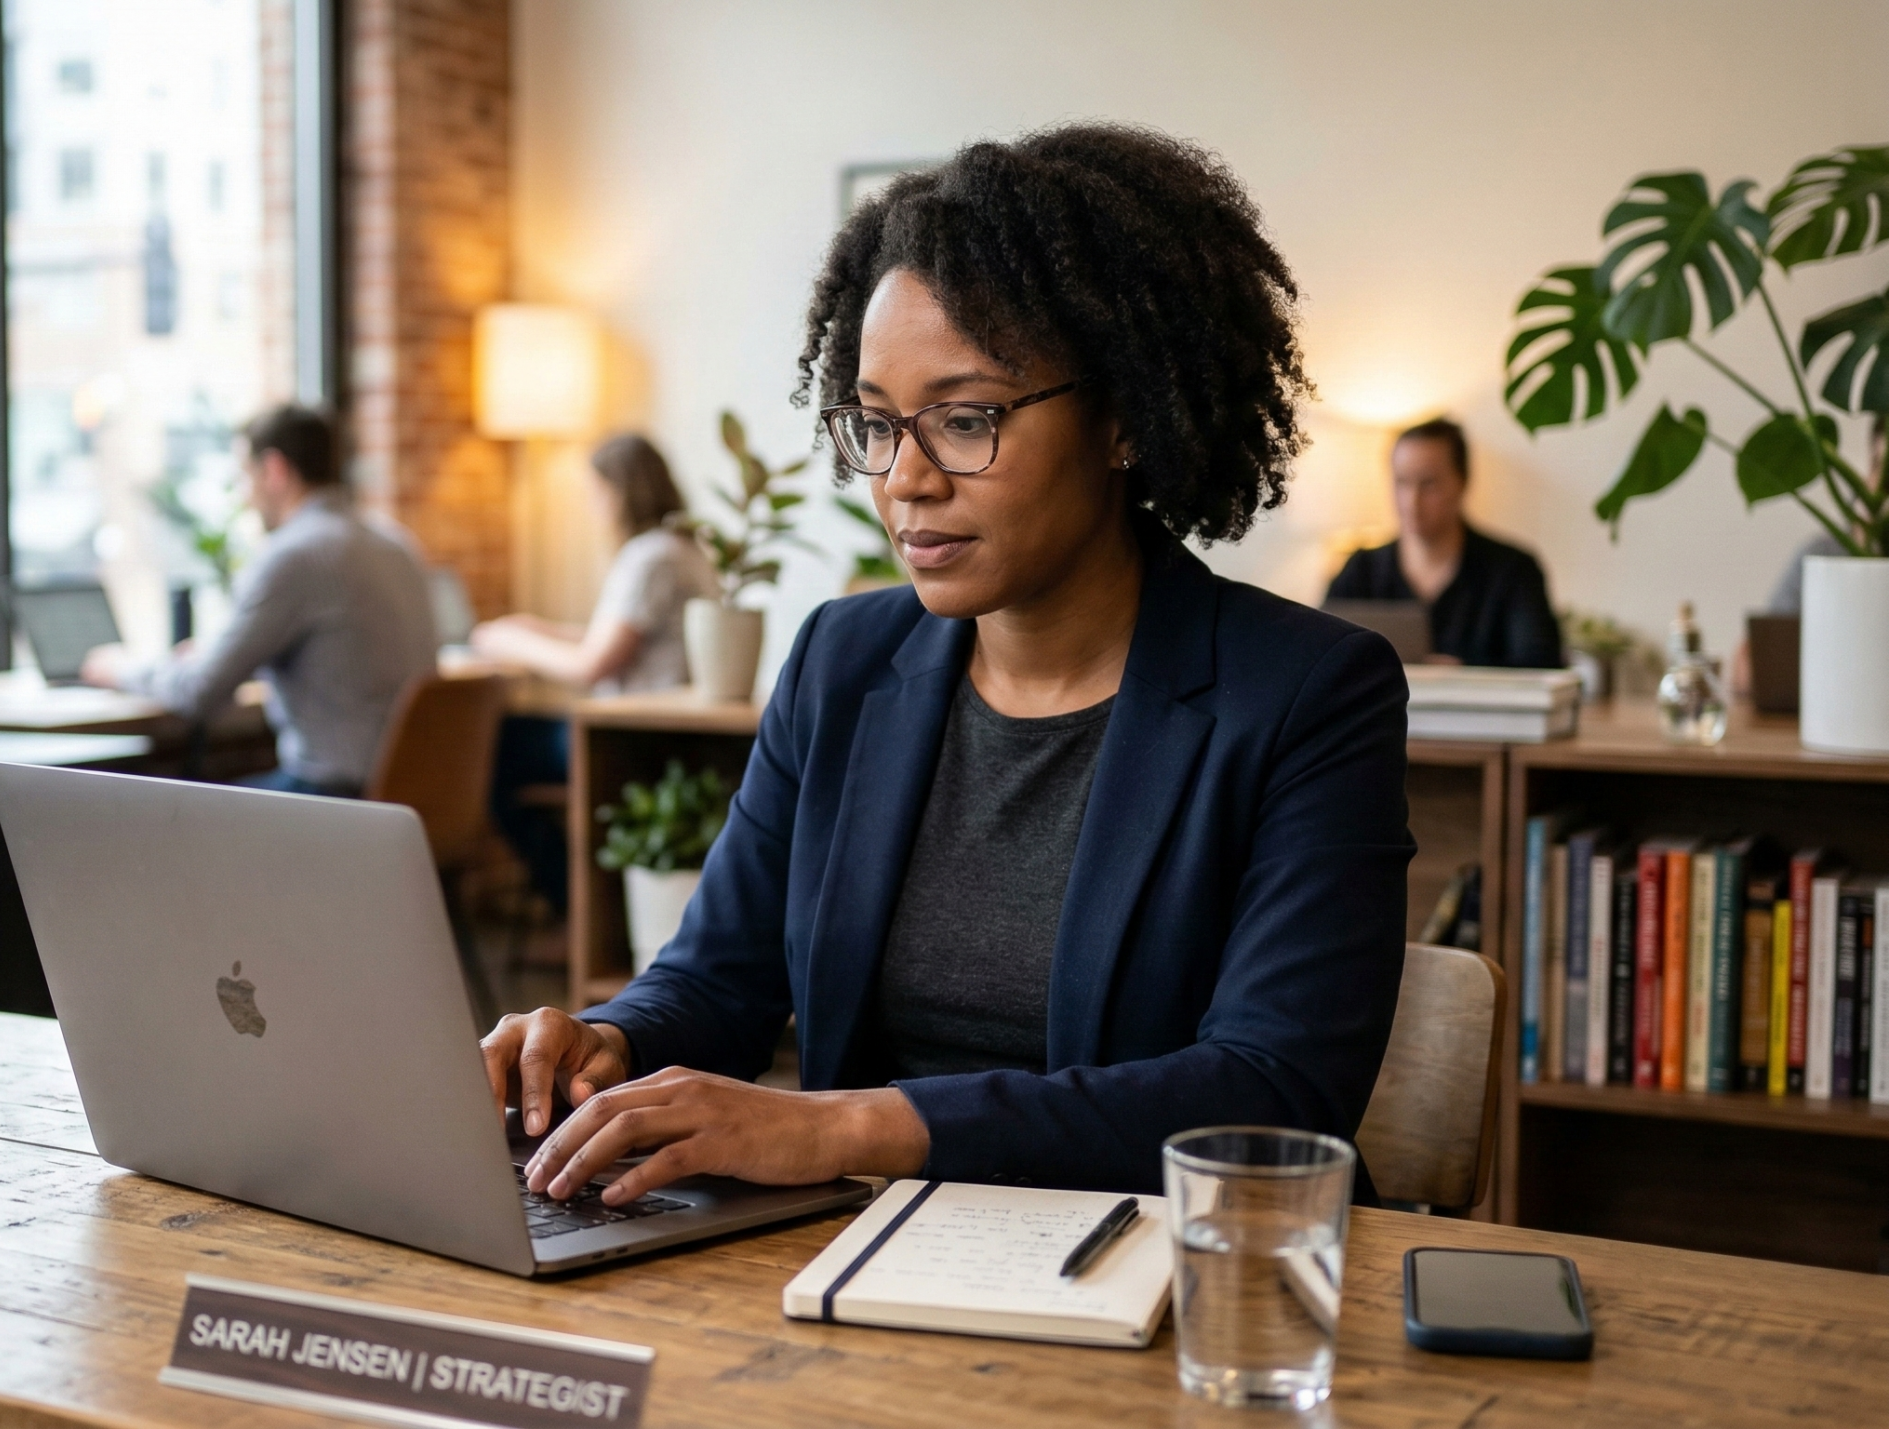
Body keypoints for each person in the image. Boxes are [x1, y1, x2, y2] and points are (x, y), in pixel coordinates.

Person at [482, 125, 1414, 1210]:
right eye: (875, 426)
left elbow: (1273, 1090)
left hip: (1160, 1276)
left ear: (1121, 417)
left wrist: (849, 1125)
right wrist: (606, 1040)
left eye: (964, 419)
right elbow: (717, 976)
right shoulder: (843, 659)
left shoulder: (1306, 692)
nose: (904, 480)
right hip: (852, 1267)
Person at [81, 404, 436, 797]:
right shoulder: (396, 545)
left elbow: (201, 692)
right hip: (414, 794)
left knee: (175, 823)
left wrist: (121, 668)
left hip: (334, 799)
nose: (245, 496)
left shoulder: (295, 555)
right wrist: (220, 654)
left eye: (245, 476)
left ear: (275, 470)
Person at [467, 434, 719, 912]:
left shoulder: (650, 556)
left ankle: (571, 911)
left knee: (491, 748)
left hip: (628, 732)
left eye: (596, 491)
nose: (593, 506)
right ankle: (570, 911)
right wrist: (537, 629)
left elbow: (593, 665)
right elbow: (614, 637)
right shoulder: (684, 548)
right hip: (656, 727)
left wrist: (511, 642)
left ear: (619, 491)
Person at [1325, 419, 1563, 668]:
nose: (1412, 501)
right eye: (1402, 482)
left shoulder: (1514, 571)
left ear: (1462, 482)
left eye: (1428, 483)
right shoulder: (1360, 570)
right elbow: (1322, 655)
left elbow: (1541, 665)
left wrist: (1463, 673)